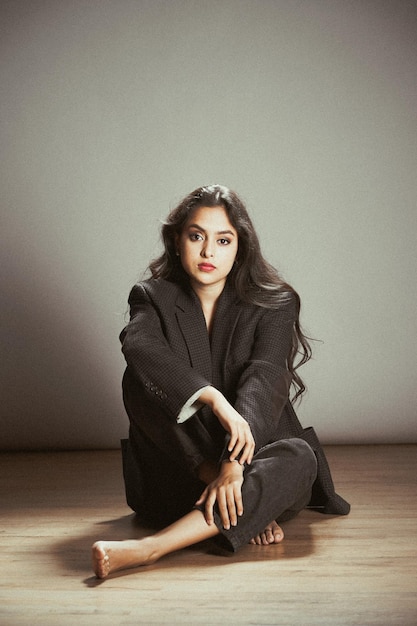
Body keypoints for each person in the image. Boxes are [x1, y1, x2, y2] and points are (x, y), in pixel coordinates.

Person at [92, 184, 349, 579]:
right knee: (139, 379)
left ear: (240, 247)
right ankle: (247, 507)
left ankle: (149, 549)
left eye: (223, 240)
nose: (208, 252)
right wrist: (211, 400)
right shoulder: (152, 296)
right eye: (196, 236)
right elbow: (138, 343)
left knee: (299, 456)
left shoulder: (276, 302)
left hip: (256, 459)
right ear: (177, 242)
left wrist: (234, 466)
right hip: (181, 472)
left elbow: (265, 378)